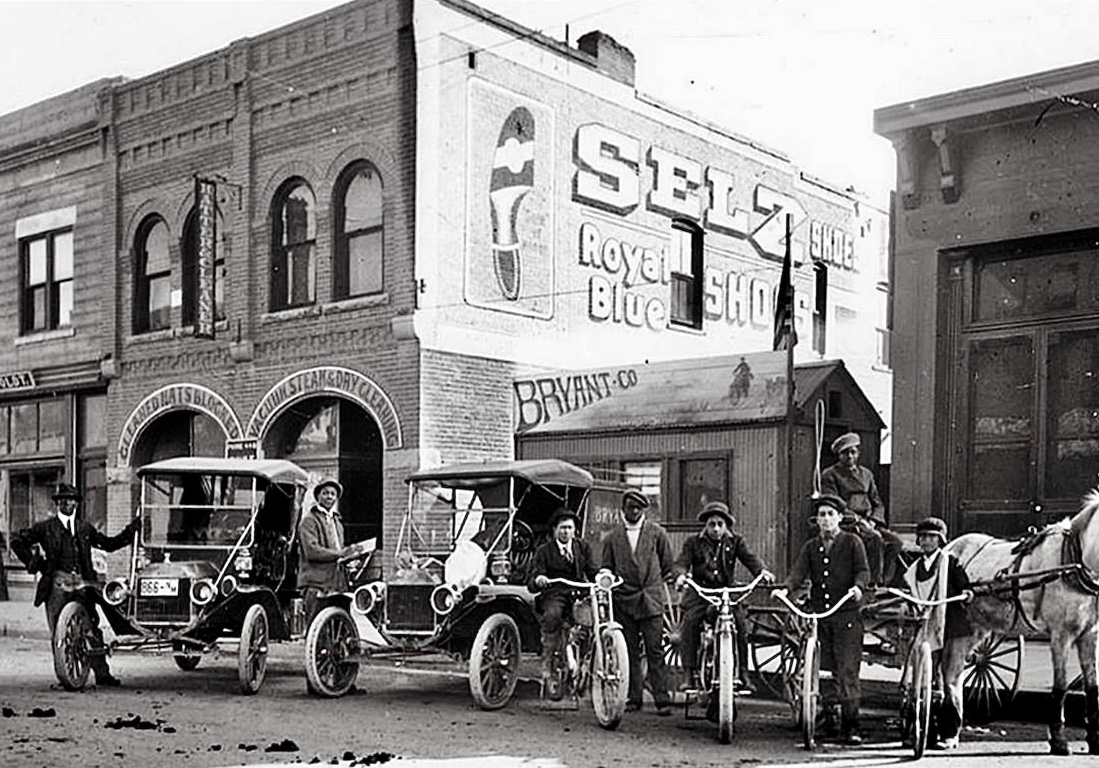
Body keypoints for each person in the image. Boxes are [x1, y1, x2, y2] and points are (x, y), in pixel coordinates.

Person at [11, 483, 139, 687]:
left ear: (76, 504)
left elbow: (108, 544)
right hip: (57, 585)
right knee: (59, 632)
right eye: (62, 500)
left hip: (83, 584)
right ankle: (66, 674)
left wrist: (131, 531)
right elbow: (17, 541)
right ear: (57, 504)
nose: (67, 503)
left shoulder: (84, 528)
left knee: (91, 629)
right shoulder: (45, 528)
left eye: (71, 500)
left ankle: (102, 674)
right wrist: (35, 563)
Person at [774, 494, 870, 746]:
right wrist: (786, 589)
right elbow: (798, 573)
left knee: (847, 671)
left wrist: (858, 587)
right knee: (825, 671)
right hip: (821, 617)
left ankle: (851, 725)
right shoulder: (811, 547)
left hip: (846, 617)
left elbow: (863, 570)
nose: (826, 519)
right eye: (822, 515)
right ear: (816, 520)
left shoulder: (852, 542)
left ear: (839, 517)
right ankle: (830, 720)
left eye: (830, 514)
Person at [674, 501, 775, 694]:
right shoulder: (693, 543)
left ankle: (743, 673)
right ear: (706, 525)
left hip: (726, 592)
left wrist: (762, 571)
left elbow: (750, 558)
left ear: (726, 525)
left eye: (720, 524)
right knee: (690, 622)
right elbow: (681, 562)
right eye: (712, 524)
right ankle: (688, 673)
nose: (716, 529)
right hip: (701, 593)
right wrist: (680, 576)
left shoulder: (735, 542)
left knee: (740, 624)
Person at [600, 489, 675, 716]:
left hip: (651, 600)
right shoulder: (612, 538)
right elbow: (607, 566)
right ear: (622, 510)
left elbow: (667, 564)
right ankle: (634, 697)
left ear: (644, 510)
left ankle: (662, 699)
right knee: (629, 651)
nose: (633, 512)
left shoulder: (657, 534)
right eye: (630, 508)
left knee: (655, 650)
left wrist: (656, 584)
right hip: (624, 600)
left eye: (638, 508)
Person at [903, 516, 972, 751]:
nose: (926, 541)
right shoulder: (914, 569)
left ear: (940, 540)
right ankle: (923, 732)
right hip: (927, 626)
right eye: (923, 537)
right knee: (922, 680)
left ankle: (950, 734)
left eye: (932, 537)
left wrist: (966, 593)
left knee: (950, 681)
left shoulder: (951, 563)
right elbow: (908, 592)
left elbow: (964, 586)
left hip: (953, 627)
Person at [529, 507, 598, 700]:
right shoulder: (544, 551)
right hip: (555, 593)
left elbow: (592, 571)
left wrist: (601, 577)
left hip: (578, 593)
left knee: (593, 617)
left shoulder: (583, 548)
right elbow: (533, 578)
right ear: (554, 530)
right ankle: (548, 663)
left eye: (569, 528)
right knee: (553, 615)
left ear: (575, 530)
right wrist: (540, 579)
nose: (566, 532)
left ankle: (586, 664)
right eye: (562, 528)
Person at [820, 432, 903, 586]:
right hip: (848, 522)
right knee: (874, 538)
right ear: (839, 455)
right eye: (845, 453)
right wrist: (857, 520)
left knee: (895, 542)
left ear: (858, 453)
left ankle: (884, 582)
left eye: (853, 452)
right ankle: (870, 583)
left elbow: (877, 501)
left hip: (869, 521)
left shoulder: (866, 474)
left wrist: (873, 520)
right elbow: (834, 503)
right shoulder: (830, 475)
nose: (850, 456)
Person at [297, 478, 355, 624]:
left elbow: (339, 551)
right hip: (316, 583)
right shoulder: (309, 521)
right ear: (318, 496)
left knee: (339, 625)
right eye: (325, 493)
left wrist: (349, 557)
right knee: (316, 626)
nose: (329, 497)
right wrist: (340, 554)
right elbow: (311, 551)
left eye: (333, 494)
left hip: (337, 584)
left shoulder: (337, 522)